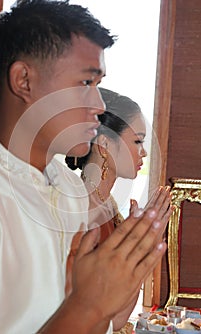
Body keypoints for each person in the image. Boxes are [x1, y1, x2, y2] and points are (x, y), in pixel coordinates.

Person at [0, 0, 172, 334]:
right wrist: (87, 303)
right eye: (85, 83)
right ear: (24, 81)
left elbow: (103, 324)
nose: (98, 104)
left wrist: (130, 268)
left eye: (99, 84)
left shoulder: (68, 188)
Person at [65, 88, 172, 331]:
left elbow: (117, 317)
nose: (143, 151)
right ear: (104, 143)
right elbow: (101, 320)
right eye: (137, 141)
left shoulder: (109, 207)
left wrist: (142, 244)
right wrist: (139, 245)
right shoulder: (80, 211)